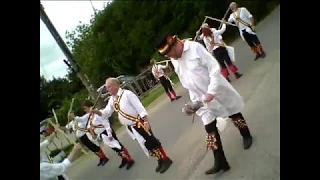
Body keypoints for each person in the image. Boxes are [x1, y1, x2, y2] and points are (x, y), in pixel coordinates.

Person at [155, 33, 253, 175]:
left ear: (176, 44)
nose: (170, 57)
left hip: (217, 90)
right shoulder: (175, 60)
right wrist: (194, 103)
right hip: (201, 99)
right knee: (210, 129)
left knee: (233, 112)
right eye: (167, 55)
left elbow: (214, 69)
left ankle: (246, 134)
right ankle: (221, 161)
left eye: (170, 52)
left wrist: (211, 92)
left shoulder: (195, 48)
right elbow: (186, 83)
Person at [92, 78, 173, 174]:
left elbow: (139, 107)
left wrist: (146, 121)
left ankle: (166, 159)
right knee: (146, 144)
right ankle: (160, 159)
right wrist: (97, 111)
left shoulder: (127, 94)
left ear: (116, 85)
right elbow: (106, 113)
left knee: (152, 141)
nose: (107, 89)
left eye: (109, 86)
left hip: (139, 123)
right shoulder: (112, 100)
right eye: (106, 87)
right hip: (131, 127)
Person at [68, 101, 135, 170]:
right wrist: (74, 118)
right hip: (102, 134)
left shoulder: (98, 113)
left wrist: (109, 134)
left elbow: (106, 123)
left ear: (89, 107)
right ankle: (124, 158)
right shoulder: (90, 115)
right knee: (114, 147)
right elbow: (81, 119)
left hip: (107, 132)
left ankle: (129, 160)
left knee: (117, 145)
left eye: (85, 108)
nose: (84, 110)